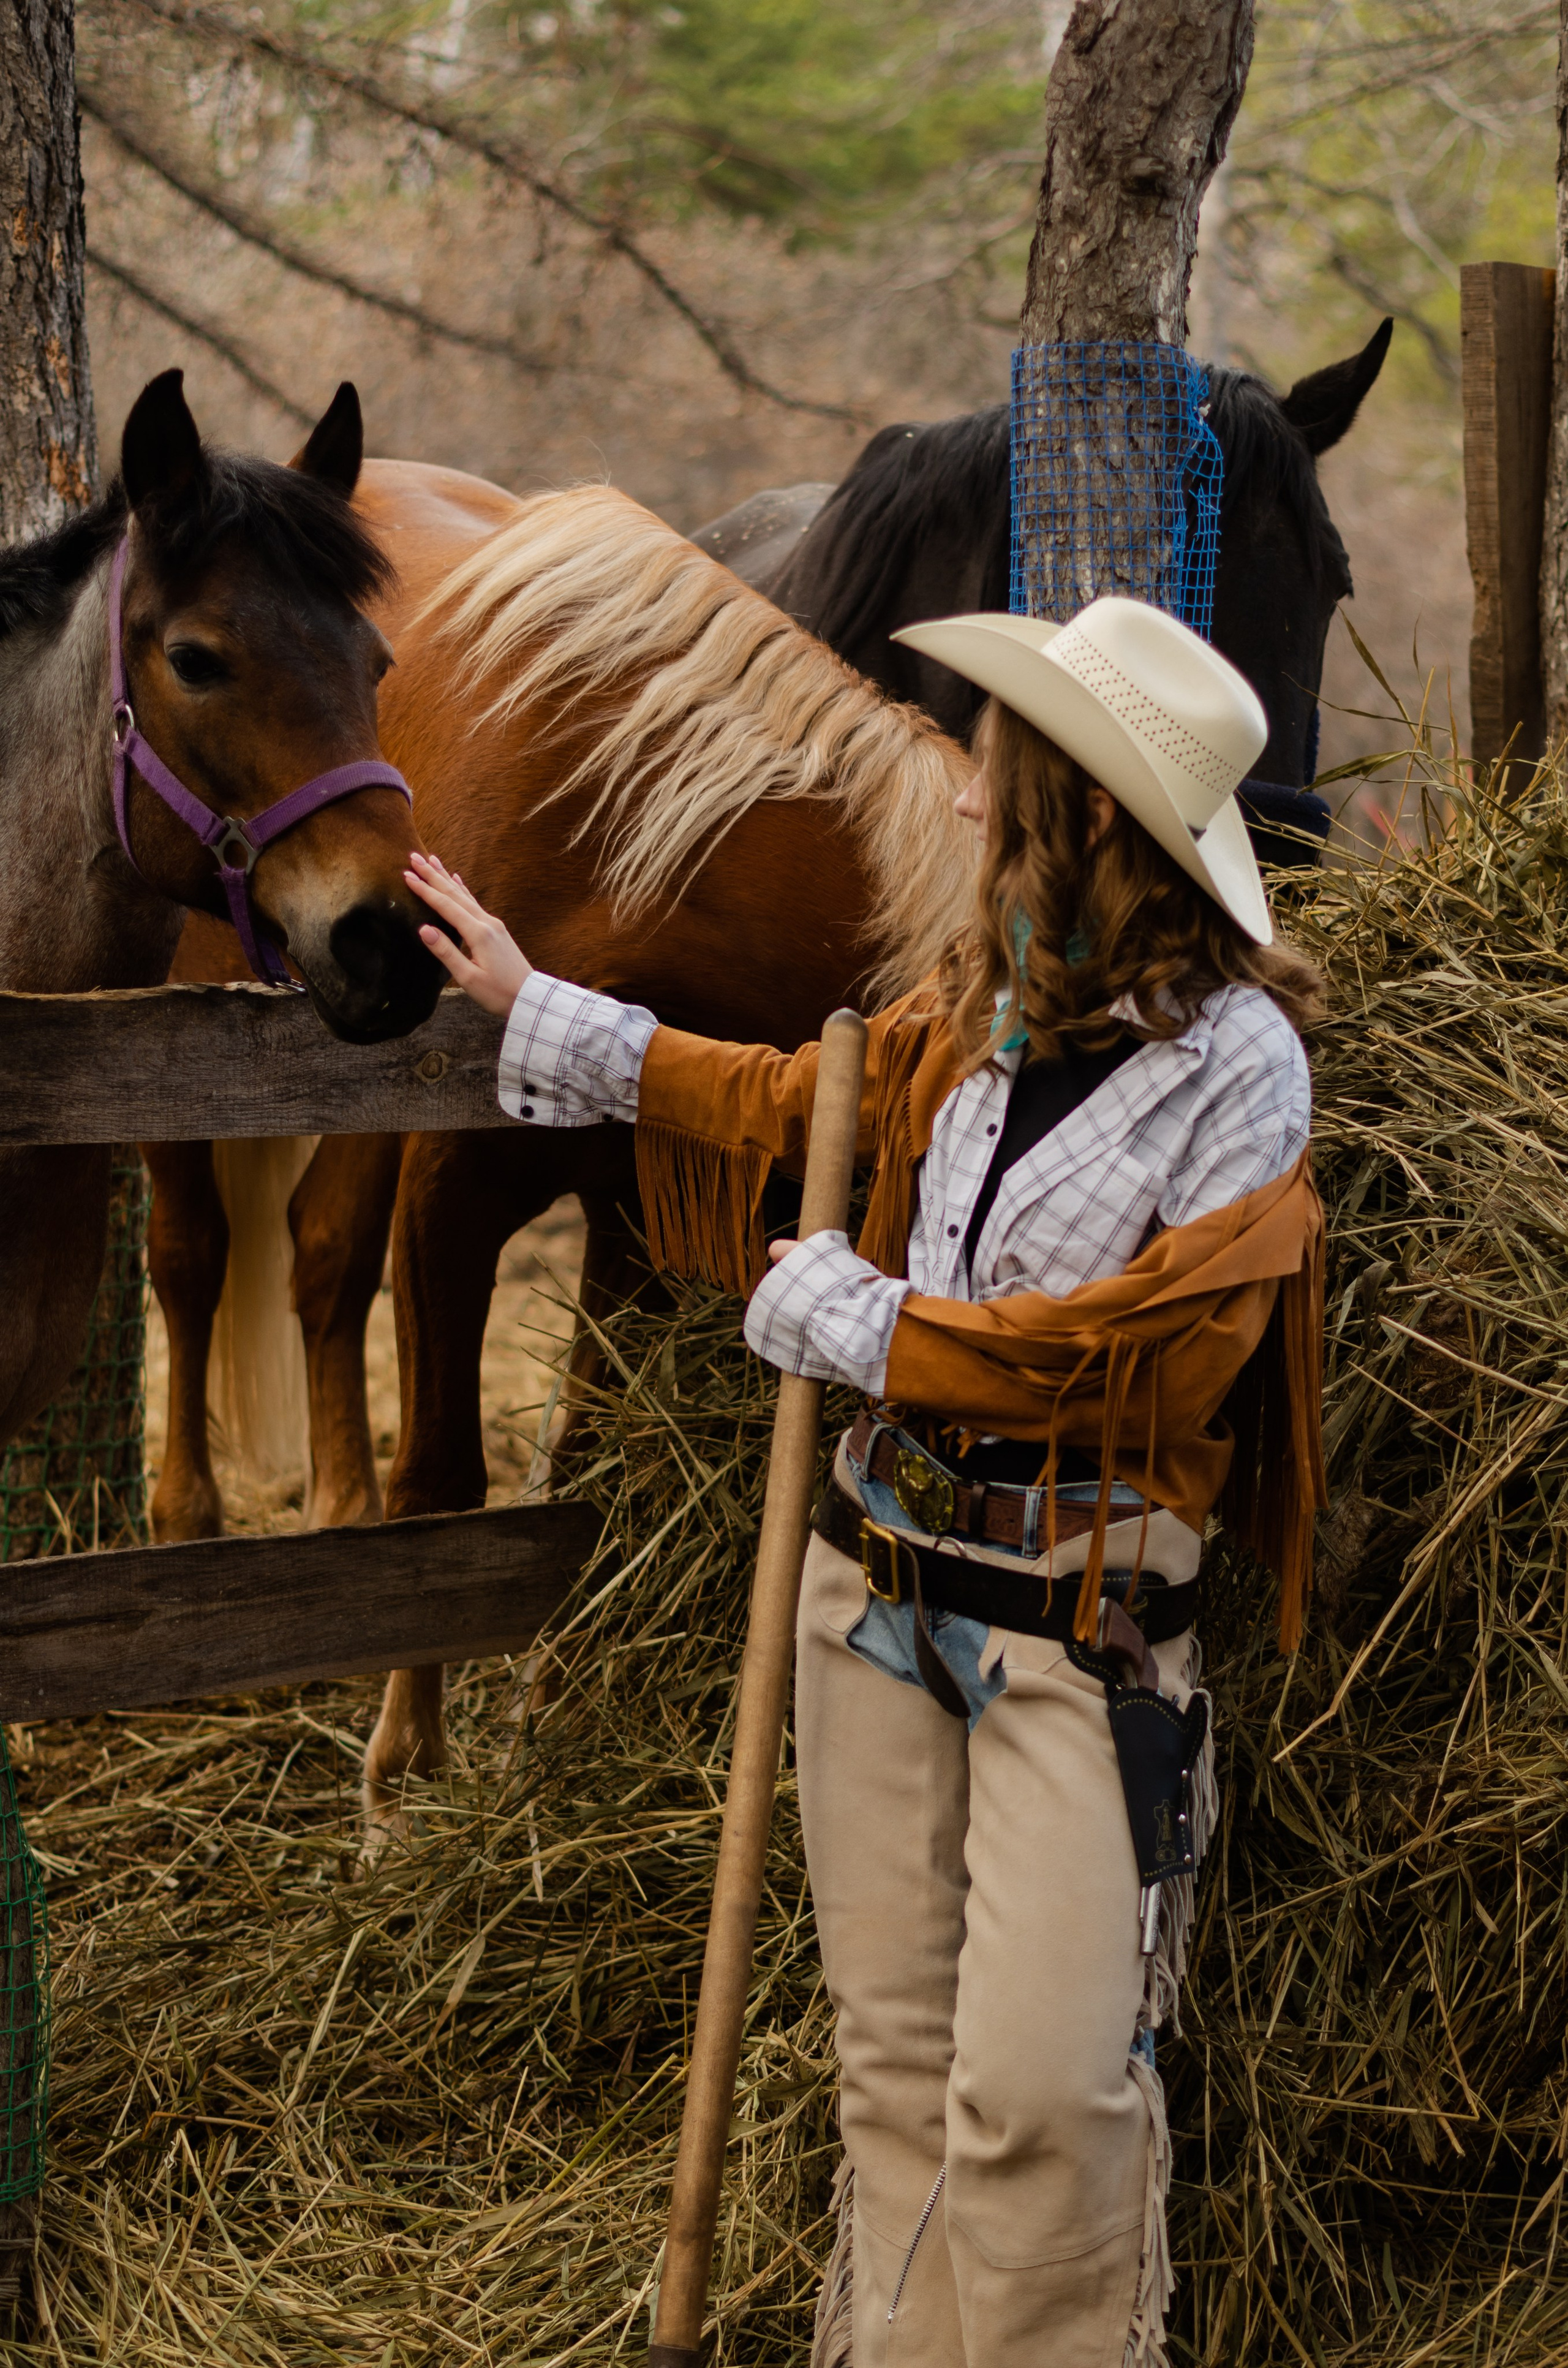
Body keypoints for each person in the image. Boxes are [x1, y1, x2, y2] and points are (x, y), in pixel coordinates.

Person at [404, 596, 1327, 2368]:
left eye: (1002, 776)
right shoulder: (974, 1018)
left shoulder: (1240, 1073)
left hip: (1082, 1632)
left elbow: (1155, 1350)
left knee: (1042, 2096)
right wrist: (544, 1007)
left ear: (1089, 817)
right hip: (875, 1595)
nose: (968, 808)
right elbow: (780, 1103)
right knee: (894, 2076)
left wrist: (882, 1328)